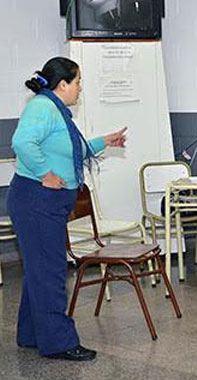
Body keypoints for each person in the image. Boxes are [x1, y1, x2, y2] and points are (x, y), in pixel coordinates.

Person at [8, 57, 127, 361]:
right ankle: (59, 342)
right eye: (78, 82)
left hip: (43, 204)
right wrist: (45, 173)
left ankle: (31, 334)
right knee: (50, 272)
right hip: (36, 202)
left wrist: (105, 141)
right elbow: (22, 142)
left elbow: (71, 148)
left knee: (39, 270)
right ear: (63, 85)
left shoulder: (56, 110)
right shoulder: (42, 108)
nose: (80, 89)